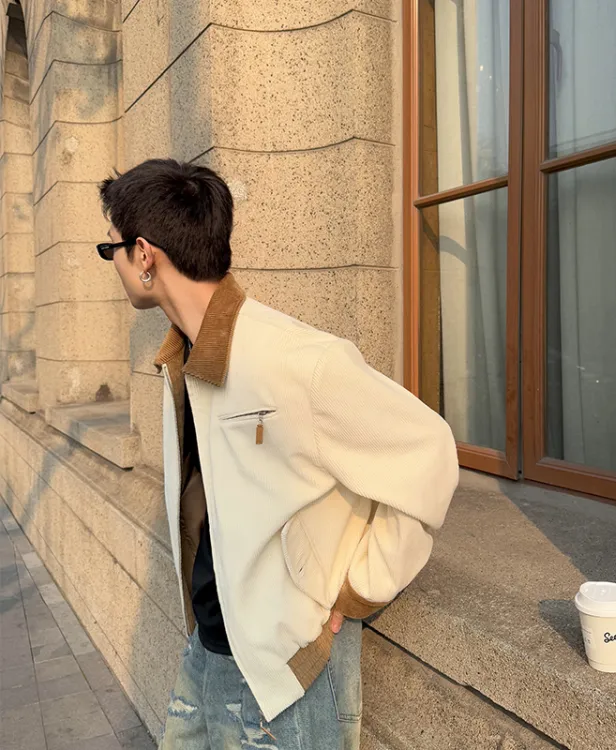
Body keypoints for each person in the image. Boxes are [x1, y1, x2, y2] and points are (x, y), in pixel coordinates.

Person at [97, 159, 459, 750]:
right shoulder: (183, 358)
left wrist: (362, 587)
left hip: (282, 678)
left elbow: (430, 450)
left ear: (143, 255)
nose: (110, 261)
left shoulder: (296, 361)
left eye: (109, 248)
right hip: (207, 651)